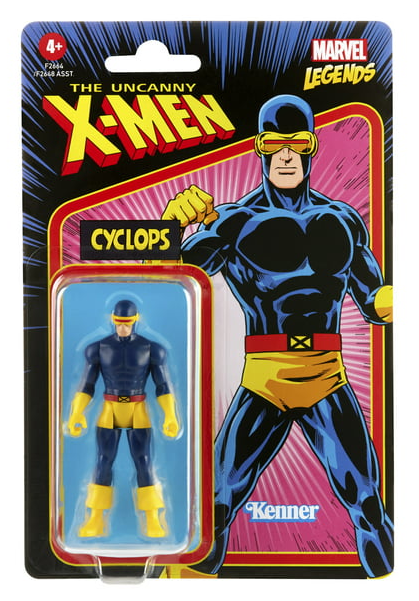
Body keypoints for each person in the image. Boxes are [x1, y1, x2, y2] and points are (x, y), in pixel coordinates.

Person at [161, 95, 393, 577]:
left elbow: (375, 303)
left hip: (327, 378)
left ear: (312, 147)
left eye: (297, 144)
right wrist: (170, 227)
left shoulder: (343, 221)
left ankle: (390, 583)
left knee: (369, 505)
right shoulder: (232, 222)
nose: (286, 156)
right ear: (260, 147)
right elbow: (168, 285)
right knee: (216, 506)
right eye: (275, 144)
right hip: (265, 381)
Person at [67, 299, 179, 538]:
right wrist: (77, 412)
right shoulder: (98, 348)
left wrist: (170, 415)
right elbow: (87, 384)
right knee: (103, 461)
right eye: (119, 323)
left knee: (144, 462)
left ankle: (153, 519)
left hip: (138, 408)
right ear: (112, 319)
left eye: (127, 323)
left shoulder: (151, 348)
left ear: (135, 320)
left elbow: (162, 385)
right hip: (110, 407)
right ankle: (95, 519)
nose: (123, 328)